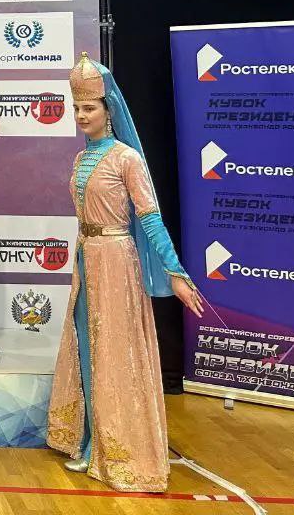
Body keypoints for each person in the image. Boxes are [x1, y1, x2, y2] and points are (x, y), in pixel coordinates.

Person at [47, 53, 204, 492]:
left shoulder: (126, 159)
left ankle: (117, 449)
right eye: (77, 108)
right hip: (86, 260)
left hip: (117, 262)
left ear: (108, 109)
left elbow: (150, 218)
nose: (82, 115)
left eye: (89, 108)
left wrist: (175, 271)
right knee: (86, 349)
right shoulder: (81, 158)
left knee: (114, 354)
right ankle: (90, 440)